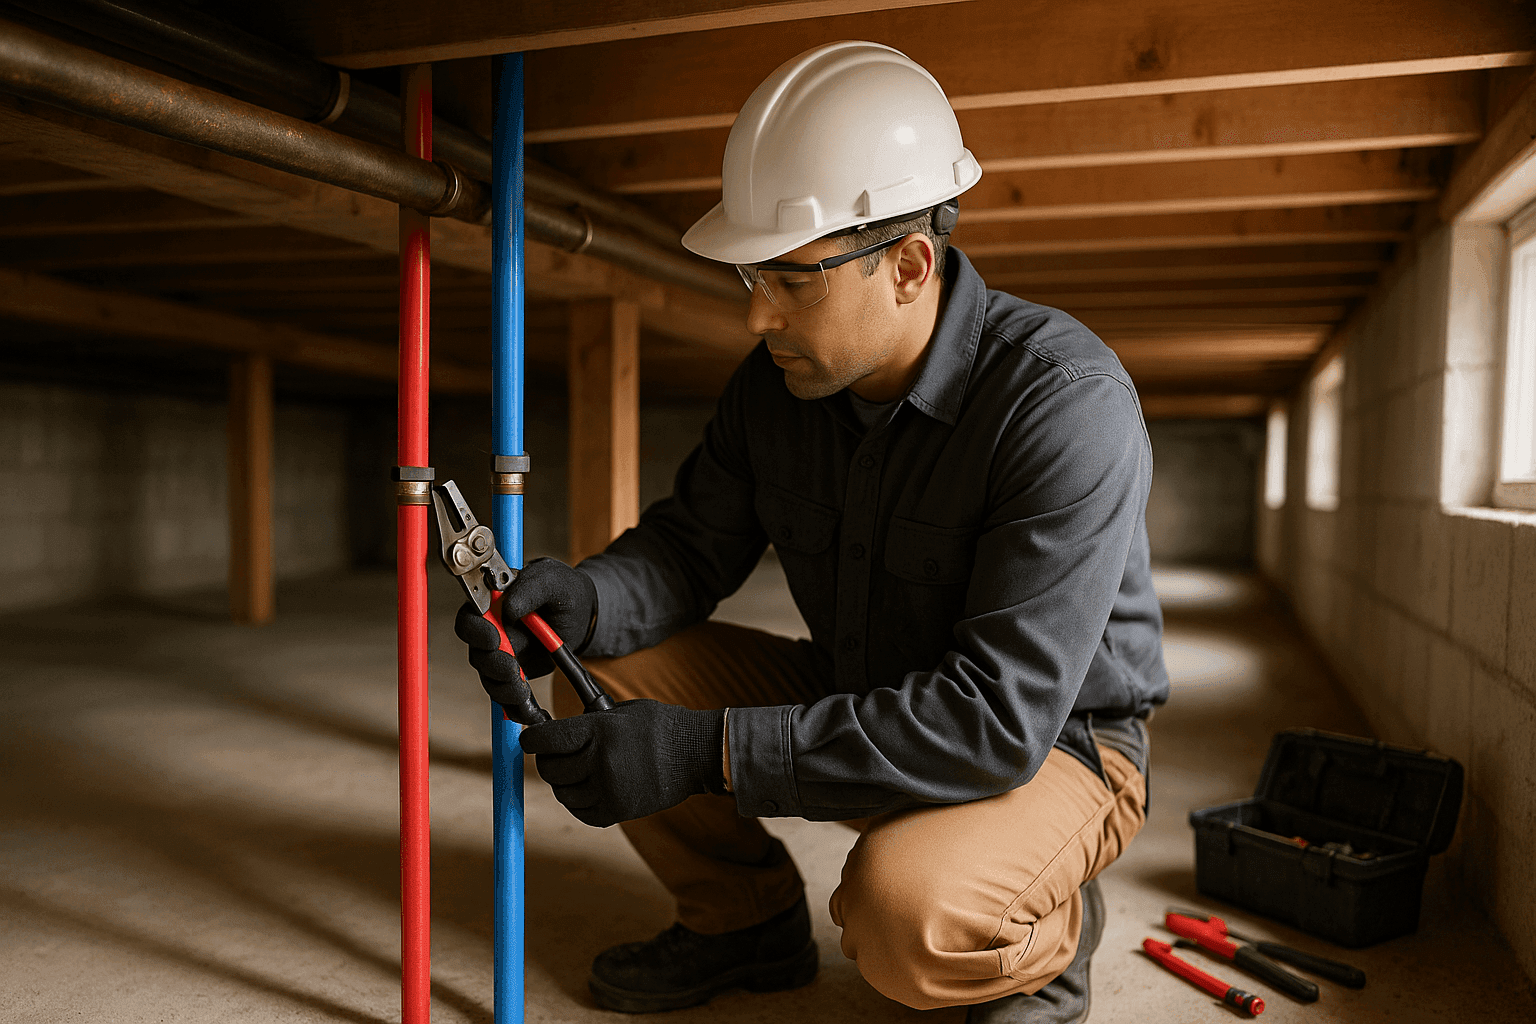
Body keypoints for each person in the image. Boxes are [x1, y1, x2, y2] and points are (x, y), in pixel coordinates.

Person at [456, 40, 1168, 1024]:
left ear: (910, 266)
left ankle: (1034, 946)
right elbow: (686, 550)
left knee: (901, 907)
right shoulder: (779, 390)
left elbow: (998, 720)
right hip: (865, 691)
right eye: (753, 276)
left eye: (793, 280)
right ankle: (742, 921)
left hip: (1056, 747)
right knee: (602, 666)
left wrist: (704, 753)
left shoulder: (1060, 402)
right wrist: (584, 601)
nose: (757, 314)